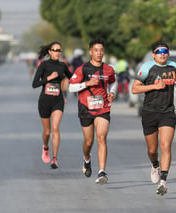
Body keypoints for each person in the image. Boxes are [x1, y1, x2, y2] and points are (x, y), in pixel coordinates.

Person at [131, 41, 176, 195]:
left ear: (168, 54)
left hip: (167, 112)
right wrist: (154, 86)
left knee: (166, 146)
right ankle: (155, 165)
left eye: (165, 51)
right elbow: (134, 88)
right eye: (159, 51)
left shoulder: (173, 67)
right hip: (150, 112)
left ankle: (163, 182)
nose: (162, 53)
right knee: (152, 150)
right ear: (153, 55)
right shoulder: (146, 68)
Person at [69, 37, 117, 184]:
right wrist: (87, 83)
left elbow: (113, 82)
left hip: (103, 107)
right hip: (86, 107)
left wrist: (113, 93)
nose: (99, 53)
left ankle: (102, 172)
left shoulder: (108, 69)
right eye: (96, 50)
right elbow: (71, 87)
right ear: (91, 52)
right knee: (88, 142)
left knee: (101, 138)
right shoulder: (83, 68)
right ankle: (87, 158)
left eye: (101, 50)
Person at [32, 41, 73, 169]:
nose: (57, 52)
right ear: (50, 52)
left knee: (55, 128)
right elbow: (34, 84)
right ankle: (45, 147)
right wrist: (48, 79)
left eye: (59, 50)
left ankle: (55, 159)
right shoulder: (44, 65)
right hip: (44, 101)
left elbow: (73, 78)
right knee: (47, 131)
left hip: (58, 101)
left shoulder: (62, 66)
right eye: (55, 50)